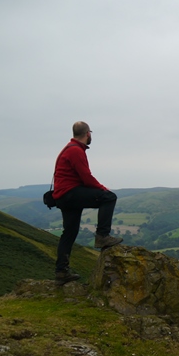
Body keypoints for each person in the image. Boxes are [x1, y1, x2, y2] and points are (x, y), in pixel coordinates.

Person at [53, 121, 123, 285]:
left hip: (63, 196)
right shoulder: (76, 150)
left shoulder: (69, 148)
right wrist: (103, 189)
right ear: (88, 134)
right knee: (109, 197)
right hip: (70, 193)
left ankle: (61, 272)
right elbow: (86, 177)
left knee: (69, 232)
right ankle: (102, 236)